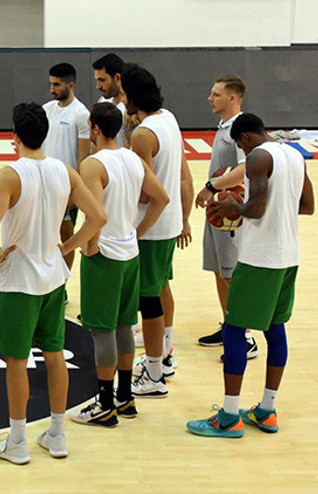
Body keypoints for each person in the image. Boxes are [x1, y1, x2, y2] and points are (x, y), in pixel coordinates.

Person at [0, 103, 105, 463]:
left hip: (20, 280)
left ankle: (18, 441)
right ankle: (56, 434)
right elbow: (98, 216)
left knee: (17, 361)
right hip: (53, 277)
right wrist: (67, 246)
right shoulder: (65, 171)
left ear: (14, 135)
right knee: (55, 356)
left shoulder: (9, 174)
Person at [187, 113, 314, 438]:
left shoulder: (258, 156)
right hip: (289, 257)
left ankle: (229, 417)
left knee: (233, 329)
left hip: (260, 260)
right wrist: (274, 211)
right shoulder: (294, 153)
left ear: (242, 139)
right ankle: (267, 410)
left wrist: (234, 208)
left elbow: (255, 209)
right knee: (275, 329)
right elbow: (307, 205)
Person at [69, 103, 168, 427]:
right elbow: (161, 198)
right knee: (125, 326)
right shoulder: (133, 158)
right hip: (130, 255)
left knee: (102, 331)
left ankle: (104, 403)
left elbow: (96, 215)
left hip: (106, 257)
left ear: (95, 128)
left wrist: (85, 247)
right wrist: (136, 233)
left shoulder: (93, 164)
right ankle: (125, 398)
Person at [121, 64, 194, 398]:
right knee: (161, 287)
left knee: (147, 300)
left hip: (149, 226)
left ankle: (152, 374)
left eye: (123, 96)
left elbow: (144, 190)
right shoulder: (169, 118)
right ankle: (164, 356)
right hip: (170, 221)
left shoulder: (142, 135)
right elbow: (179, 174)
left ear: (132, 98)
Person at [194, 75, 259, 360]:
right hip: (217, 212)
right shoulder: (224, 126)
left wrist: (210, 188)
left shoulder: (239, 129)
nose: (210, 98)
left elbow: (244, 169)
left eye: (216, 94)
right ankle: (230, 327)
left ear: (232, 98)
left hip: (231, 213)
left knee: (232, 275)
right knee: (221, 273)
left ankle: (245, 337)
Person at [42, 63, 91, 274]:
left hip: (65, 187)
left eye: (57, 85)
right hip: (44, 184)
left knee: (66, 238)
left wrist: (74, 190)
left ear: (71, 85)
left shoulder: (81, 114)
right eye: (51, 84)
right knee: (44, 235)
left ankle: (62, 283)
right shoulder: (47, 109)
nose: (52, 89)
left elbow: (84, 156)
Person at [92, 53, 129, 147]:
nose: (98, 86)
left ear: (117, 78)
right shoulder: (102, 102)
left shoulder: (129, 110)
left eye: (102, 80)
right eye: (97, 80)